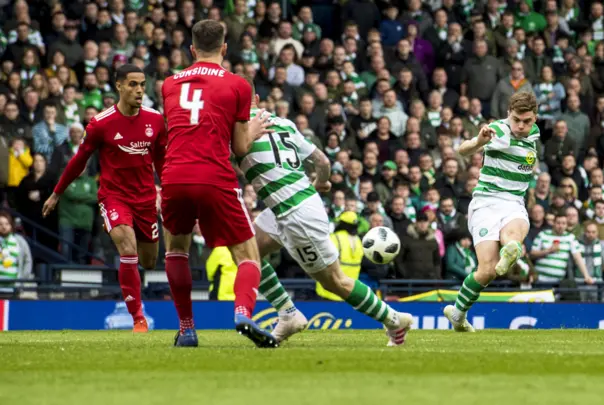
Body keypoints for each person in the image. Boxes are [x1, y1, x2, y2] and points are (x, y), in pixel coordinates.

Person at [238, 80, 413, 346]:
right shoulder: (283, 122)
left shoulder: (237, 130)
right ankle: (288, 314)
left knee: (335, 282)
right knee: (246, 251)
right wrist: (320, 182)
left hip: (297, 214)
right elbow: (322, 161)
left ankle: (394, 320)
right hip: (289, 205)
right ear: (257, 98)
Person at [160, 20, 275, 348]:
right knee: (248, 256)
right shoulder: (238, 85)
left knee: (177, 251)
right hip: (213, 176)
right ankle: (242, 312)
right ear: (224, 49)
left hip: (174, 176)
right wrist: (253, 128)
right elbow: (239, 148)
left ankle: (186, 329)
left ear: (192, 49)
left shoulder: (168, 84)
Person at [42, 64, 167, 333]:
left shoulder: (156, 120)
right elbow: (79, 160)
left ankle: (137, 305)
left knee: (149, 262)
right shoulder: (101, 123)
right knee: (128, 250)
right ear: (119, 86)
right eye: (133, 84)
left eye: (142, 84)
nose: (139, 90)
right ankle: (138, 318)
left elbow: (162, 160)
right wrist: (56, 193)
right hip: (114, 197)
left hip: (145, 199)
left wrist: (165, 190)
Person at [442, 92, 545, 332]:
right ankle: (458, 313)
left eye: (527, 121)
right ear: (508, 113)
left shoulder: (535, 133)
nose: (521, 126)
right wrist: (479, 141)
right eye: (516, 119)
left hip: (513, 203)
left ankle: (511, 248)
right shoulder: (498, 131)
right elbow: (462, 150)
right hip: (486, 203)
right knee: (487, 270)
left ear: (534, 118)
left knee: (515, 231)